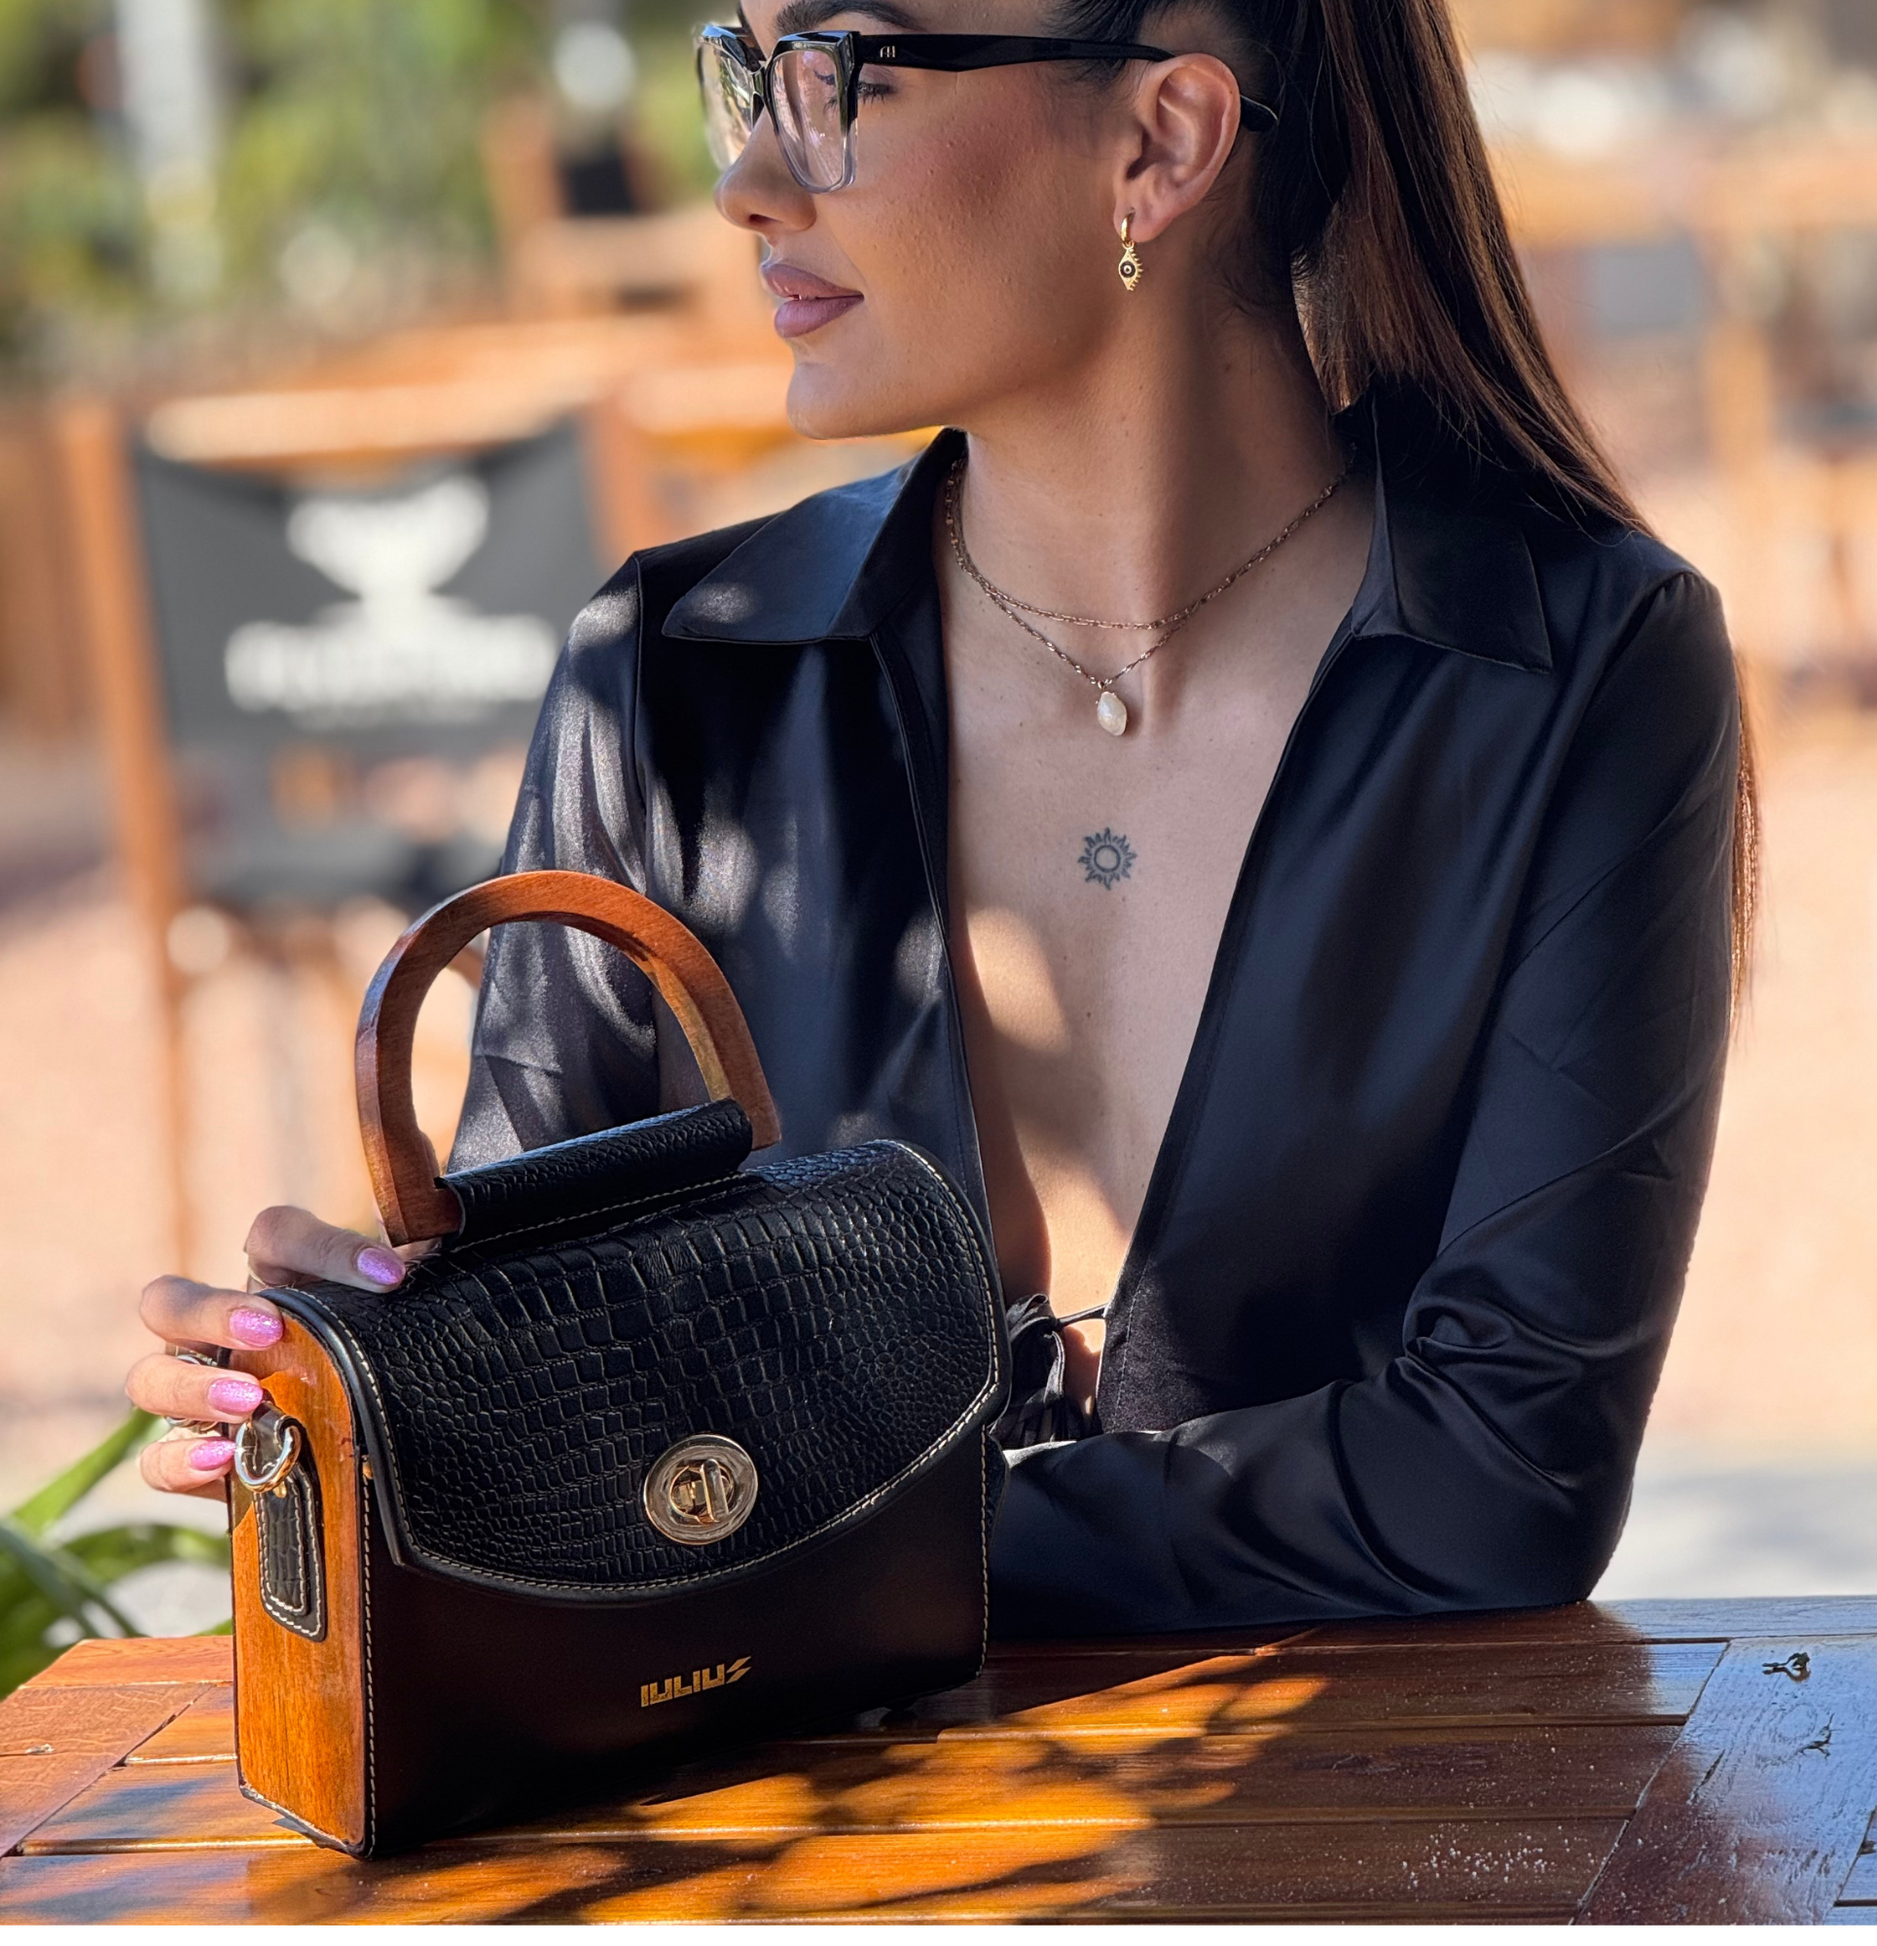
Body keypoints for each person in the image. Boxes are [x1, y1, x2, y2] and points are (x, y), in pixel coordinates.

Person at [126, 0, 1759, 1635]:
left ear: (1160, 142)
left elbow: (1502, 1477)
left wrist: (792, 1519)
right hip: (800, 1867)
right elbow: (550, 1397)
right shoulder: (673, 684)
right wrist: (372, 1391)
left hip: (1388, 1840)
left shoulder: (1572, 666)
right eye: (746, 76)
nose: (751, 180)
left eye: (844, 74)